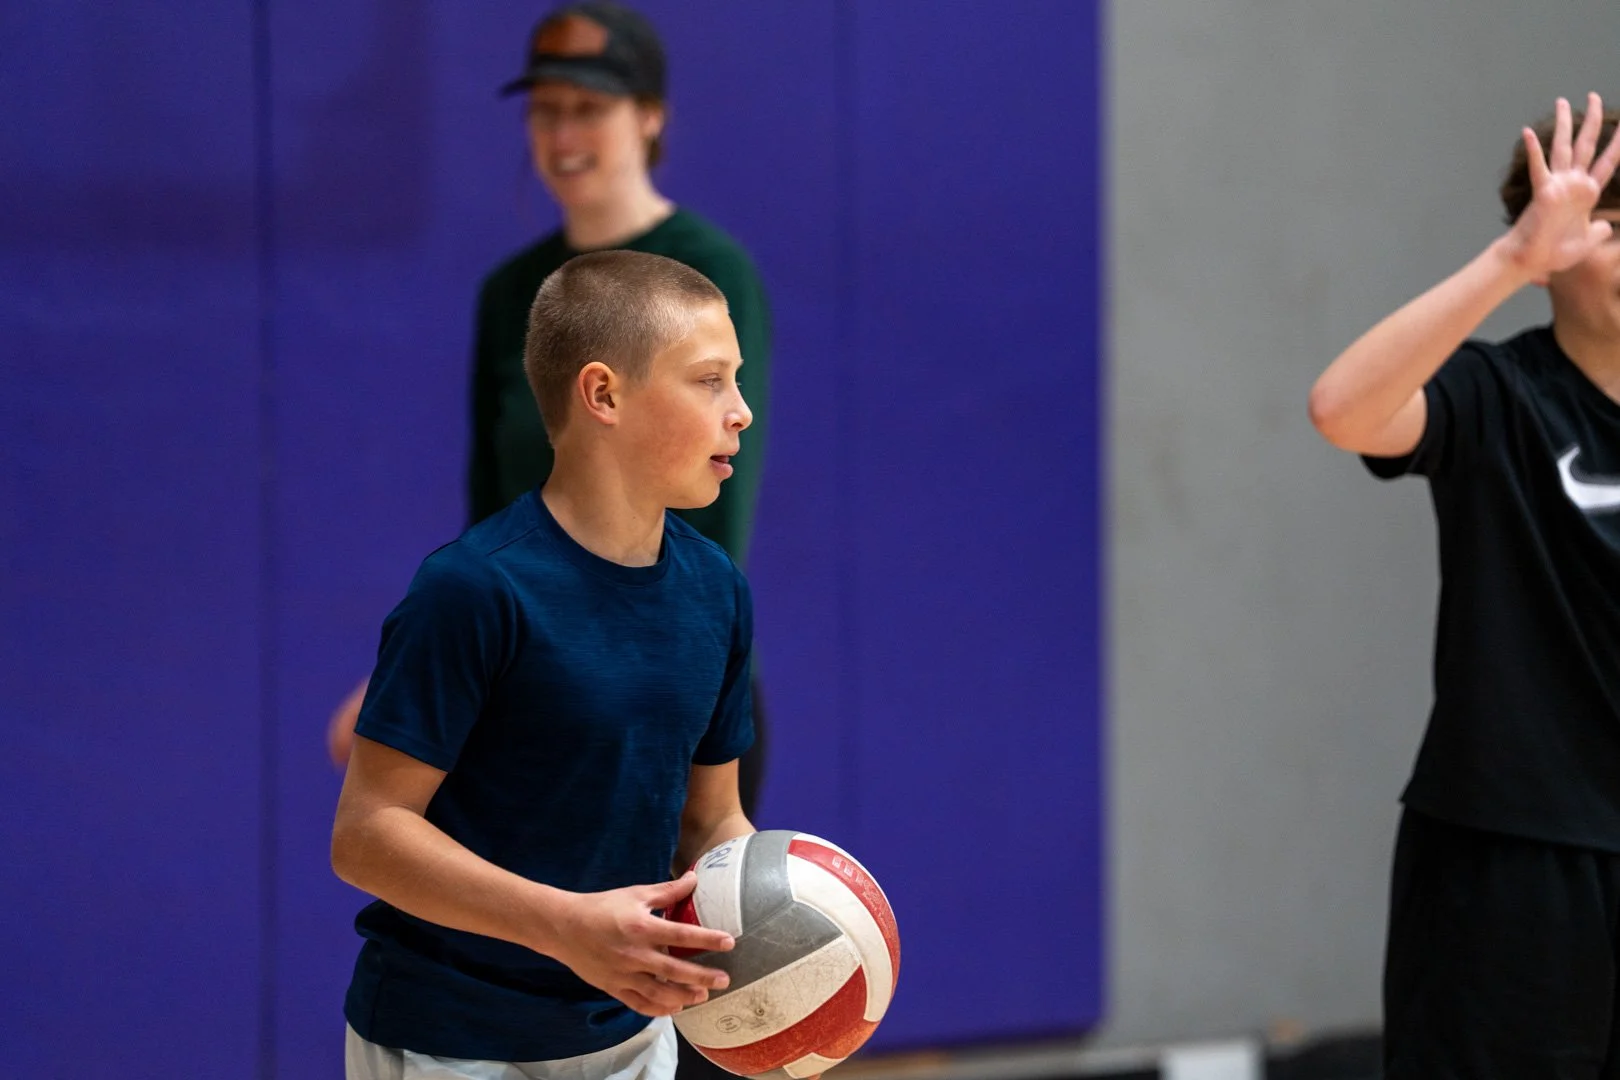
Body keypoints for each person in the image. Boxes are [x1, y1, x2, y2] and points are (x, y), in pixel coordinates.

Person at [327, 1, 773, 816]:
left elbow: (715, 501)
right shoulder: (514, 292)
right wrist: (435, 665)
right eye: (545, 110)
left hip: (660, 671)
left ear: (649, 116)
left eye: (589, 108)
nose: (563, 134)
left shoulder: (710, 273)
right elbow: (490, 509)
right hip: (527, 670)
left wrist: (634, 661)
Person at [333, 250, 759, 1080]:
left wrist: (793, 925)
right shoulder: (473, 589)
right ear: (604, 394)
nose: (740, 411)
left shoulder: (717, 590)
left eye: (736, 381)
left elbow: (711, 824)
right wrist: (565, 926)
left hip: (630, 1035)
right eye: (709, 381)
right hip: (449, 1042)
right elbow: (367, 837)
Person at [1309, 94, 1620, 1077]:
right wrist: (1508, 264)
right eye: (1610, 229)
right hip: (1511, 864)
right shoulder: (1499, 397)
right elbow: (1343, 409)